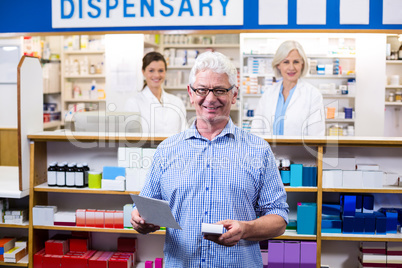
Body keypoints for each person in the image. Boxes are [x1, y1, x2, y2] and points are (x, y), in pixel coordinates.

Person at [131, 51, 289, 267]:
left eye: (220, 90)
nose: (210, 98)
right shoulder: (167, 150)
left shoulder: (257, 150)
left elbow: (279, 219)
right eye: (202, 90)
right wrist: (140, 219)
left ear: (234, 95)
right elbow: (146, 208)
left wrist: (246, 229)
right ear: (191, 93)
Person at [251, 40, 325, 136]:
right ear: (278, 65)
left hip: (300, 151)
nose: (291, 67)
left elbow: (316, 136)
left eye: (296, 62)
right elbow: (256, 130)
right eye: (286, 62)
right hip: (268, 151)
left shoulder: (313, 95)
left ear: (302, 64)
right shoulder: (268, 94)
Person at [125, 51, 186, 134]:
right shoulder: (134, 103)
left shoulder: (177, 102)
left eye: (161, 70)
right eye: (151, 70)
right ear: (143, 72)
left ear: (165, 72)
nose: (156, 75)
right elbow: (132, 139)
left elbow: (184, 133)